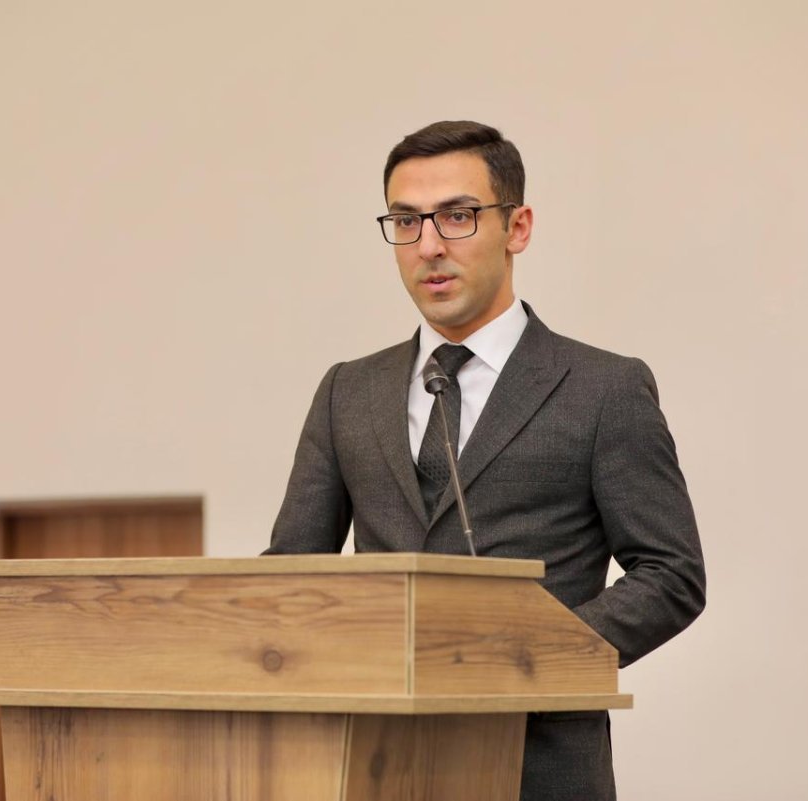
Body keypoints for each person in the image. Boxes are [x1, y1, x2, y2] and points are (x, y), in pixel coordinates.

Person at [265, 120, 706, 800]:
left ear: (517, 227)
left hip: (539, 764)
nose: (429, 246)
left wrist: (528, 657)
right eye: (406, 222)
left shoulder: (603, 388)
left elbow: (672, 574)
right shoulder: (346, 391)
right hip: (374, 765)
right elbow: (290, 575)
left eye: (458, 216)